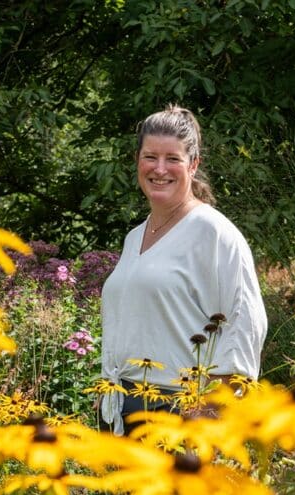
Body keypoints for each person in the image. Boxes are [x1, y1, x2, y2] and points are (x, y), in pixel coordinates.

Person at [99, 105, 268, 435]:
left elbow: (245, 321)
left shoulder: (212, 232)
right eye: (150, 157)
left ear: (193, 165)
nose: (159, 169)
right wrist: (109, 387)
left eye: (172, 158)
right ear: (137, 161)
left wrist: (210, 410)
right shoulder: (135, 237)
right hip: (121, 411)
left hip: (180, 414)